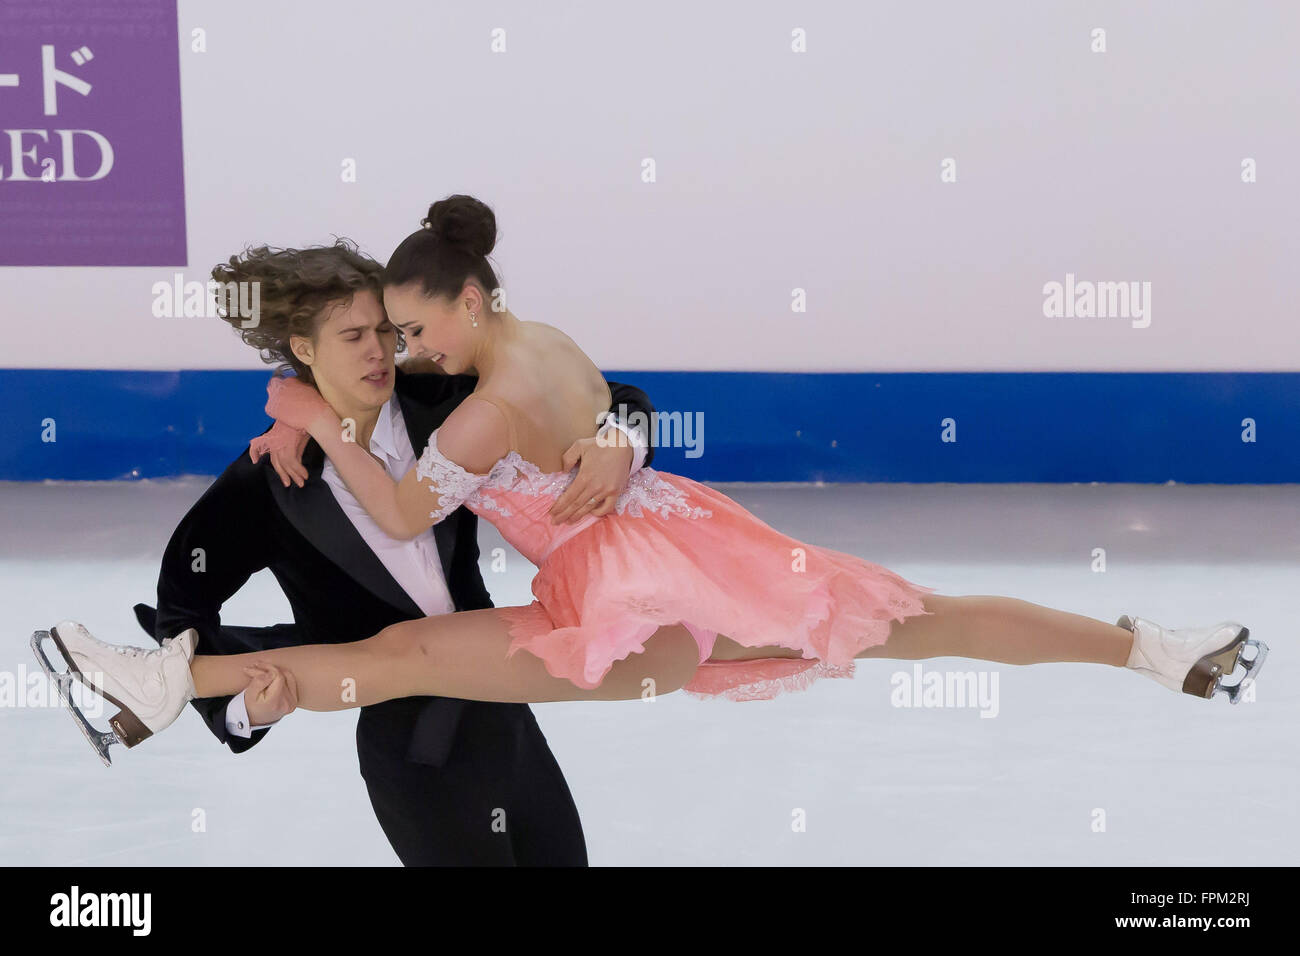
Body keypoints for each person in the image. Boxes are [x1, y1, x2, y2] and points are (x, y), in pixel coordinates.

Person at [48, 194, 1268, 768]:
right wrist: (619, 432)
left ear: (464, 301)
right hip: (700, 551)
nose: (400, 354)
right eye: (375, 338)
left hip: (628, 600)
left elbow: (422, 499)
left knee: (404, 658)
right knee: (923, 617)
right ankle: (1151, 648)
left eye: (407, 331)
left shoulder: (462, 403)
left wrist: (326, 417)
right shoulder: (524, 346)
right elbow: (596, 396)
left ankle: (159, 683)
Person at [124, 237, 659, 866]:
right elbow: (180, 608)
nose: (378, 351)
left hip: (505, 708)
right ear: (304, 350)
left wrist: (620, 442)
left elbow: (607, 394)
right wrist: (240, 709)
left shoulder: (444, 400)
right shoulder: (266, 482)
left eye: (386, 330)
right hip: (413, 749)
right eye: (353, 336)